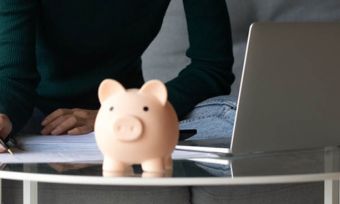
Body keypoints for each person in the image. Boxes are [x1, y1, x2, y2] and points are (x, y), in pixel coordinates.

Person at [0, 0, 235, 153]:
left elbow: (212, 68)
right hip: (34, 113)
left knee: (233, 120)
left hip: (130, 114)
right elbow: (14, 76)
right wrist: (4, 116)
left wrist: (121, 112)